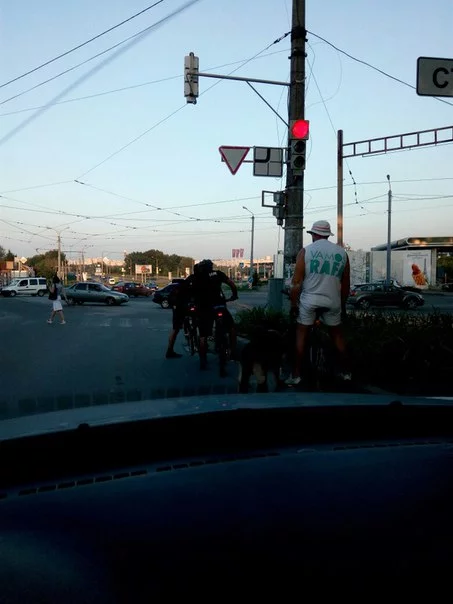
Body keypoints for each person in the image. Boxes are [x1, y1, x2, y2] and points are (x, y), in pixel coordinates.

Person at [285, 220, 351, 386]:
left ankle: (296, 375)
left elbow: (296, 283)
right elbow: (346, 285)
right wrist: (342, 305)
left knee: (301, 334)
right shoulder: (342, 253)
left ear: (314, 234)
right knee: (337, 336)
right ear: (327, 235)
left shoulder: (306, 251)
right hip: (333, 301)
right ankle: (346, 372)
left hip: (309, 301)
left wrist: (293, 305)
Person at [189, 260, 238, 370]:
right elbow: (231, 283)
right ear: (211, 267)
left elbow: (191, 292)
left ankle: (203, 359)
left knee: (203, 335)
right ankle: (233, 351)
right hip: (219, 305)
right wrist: (234, 295)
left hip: (204, 308)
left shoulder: (197, 277)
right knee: (231, 327)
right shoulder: (218, 274)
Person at [165, 278, 194, 359]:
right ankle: (191, 334)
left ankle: (169, 350)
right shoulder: (188, 287)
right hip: (183, 309)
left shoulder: (178, 288)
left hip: (177, 310)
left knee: (175, 330)